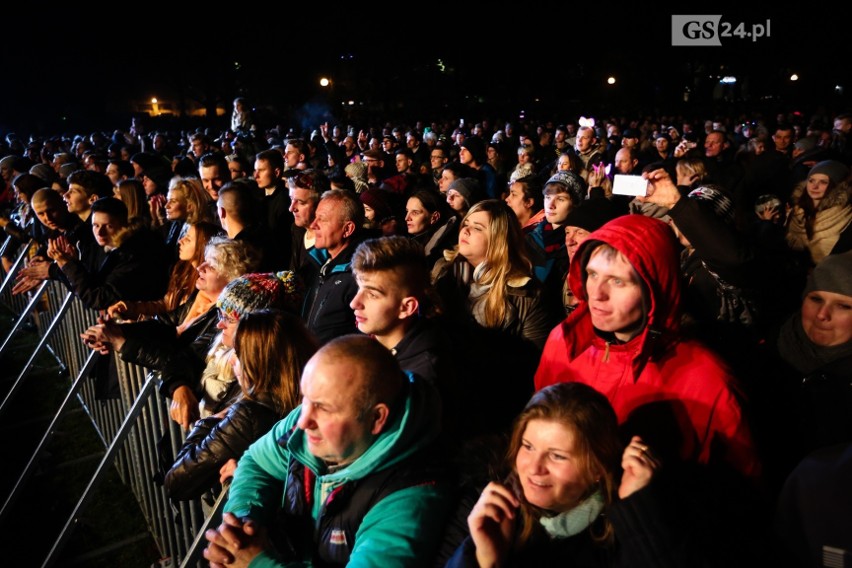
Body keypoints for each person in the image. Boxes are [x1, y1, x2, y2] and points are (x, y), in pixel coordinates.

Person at [534, 214, 759, 481]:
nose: (597, 293)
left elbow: (739, 492)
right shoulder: (565, 340)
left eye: (617, 281)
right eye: (593, 274)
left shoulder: (707, 381)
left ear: (654, 288)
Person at [202, 334, 454, 567]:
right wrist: (242, 526)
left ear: (377, 418)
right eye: (305, 399)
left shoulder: (409, 498)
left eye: (323, 408)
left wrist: (257, 563)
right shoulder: (307, 423)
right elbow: (256, 462)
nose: (303, 421)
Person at [444, 382, 702, 568]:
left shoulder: (617, 530)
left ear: (597, 469)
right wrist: (483, 559)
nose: (533, 468)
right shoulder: (483, 503)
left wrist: (637, 510)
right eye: (528, 446)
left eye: (557, 456)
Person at [164, 309, 318, 503]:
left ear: (256, 361)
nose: (231, 360)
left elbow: (176, 482)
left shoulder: (248, 415)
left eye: (237, 353)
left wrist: (210, 421)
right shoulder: (313, 400)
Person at [786, 159, 852, 265]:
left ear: (837, 187)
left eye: (823, 182)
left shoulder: (845, 216)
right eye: (811, 180)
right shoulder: (797, 212)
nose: (814, 186)